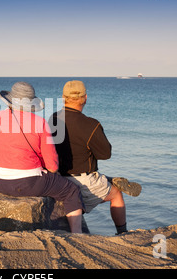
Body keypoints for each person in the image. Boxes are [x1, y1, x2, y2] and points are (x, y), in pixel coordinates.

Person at [0, 81, 84, 233]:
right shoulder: (40, 123)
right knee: (71, 190)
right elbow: (53, 166)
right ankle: (77, 234)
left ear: (10, 100)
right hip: (25, 184)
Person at [50, 80, 141, 235]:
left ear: (63, 98)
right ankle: (122, 233)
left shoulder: (53, 119)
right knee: (116, 194)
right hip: (82, 180)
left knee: (98, 177)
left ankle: (106, 179)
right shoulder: (91, 124)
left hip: (59, 177)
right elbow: (105, 154)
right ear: (85, 98)